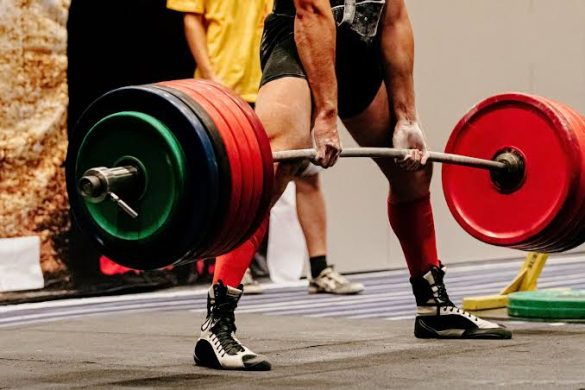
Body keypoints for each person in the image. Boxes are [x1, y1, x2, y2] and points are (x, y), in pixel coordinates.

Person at [189, 0, 513, 371]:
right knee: (276, 164)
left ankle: (433, 306)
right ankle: (216, 325)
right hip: (298, 42)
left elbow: (393, 21)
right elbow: (312, 12)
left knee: (413, 172)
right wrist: (325, 116)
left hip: (357, 46)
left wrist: (407, 117)